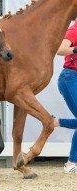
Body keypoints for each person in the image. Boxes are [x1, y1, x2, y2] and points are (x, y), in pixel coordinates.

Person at [54, 18, 77, 173]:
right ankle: (71, 163)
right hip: (70, 78)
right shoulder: (75, 29)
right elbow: (60, 49)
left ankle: (53, 122)